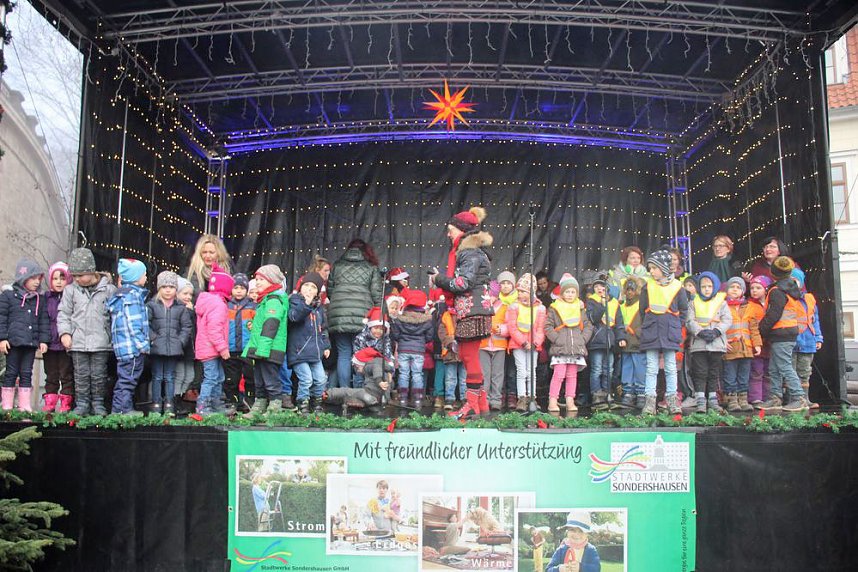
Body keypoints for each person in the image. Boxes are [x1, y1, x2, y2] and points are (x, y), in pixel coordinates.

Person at [430, 207, 494, 419]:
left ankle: (472, 406)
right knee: (469, 356)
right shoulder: (473, 252)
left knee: (468, 356)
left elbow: (463, 282)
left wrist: (439, 279)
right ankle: (481, 405)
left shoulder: (469, 253)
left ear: (461, 230)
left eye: (450, 230)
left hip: (472, 310)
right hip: (474, 309)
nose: (448, 234)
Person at [57, 248, 117, 416]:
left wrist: (113, 337)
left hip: (101, 342)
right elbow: (64, 313)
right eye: (74, 276)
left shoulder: (108, 290)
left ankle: (98, 403)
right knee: (81, 375)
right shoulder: (70, 290)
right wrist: (65, 334)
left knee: (98, 375)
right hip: (78, 342)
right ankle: (82, 403)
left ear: (91, 271)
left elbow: (115, 316)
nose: (77, 279)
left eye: (81, 275)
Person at [756, 256, 809, 412]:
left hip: (781, 333)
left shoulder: (777, 291)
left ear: (773, 272)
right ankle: (775, 397)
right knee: (774, 367)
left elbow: (774, 314)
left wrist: (761, 330)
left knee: (785, 366)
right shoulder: (791, 289)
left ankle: (799, 398)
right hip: (787, 332)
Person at [327, 239, 383, 388]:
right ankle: (358, 391)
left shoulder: (337, 265)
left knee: (344, 354)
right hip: (362, 317)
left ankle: (344, 390)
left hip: (339, 316)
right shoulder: (371, 267)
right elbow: (377, 295)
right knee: (360, 353)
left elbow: (330, 291)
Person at [638, 249, 687, 415]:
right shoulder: (647, 287)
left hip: (670, 331)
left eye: (654, 268)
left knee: (671, 367)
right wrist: (648, 324)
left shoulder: (678, 287)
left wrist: (675, 325)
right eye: (650, 268)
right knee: (651, 367)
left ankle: (672, 401)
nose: (651, 271)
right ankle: (650, 402)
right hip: (651, 330)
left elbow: (683, 310)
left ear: (664, 268)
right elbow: (642, 309)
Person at [0, 259, 49, 412]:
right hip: (13, 343)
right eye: (33, 278)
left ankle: (24, 405)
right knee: (11, 372)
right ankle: (6, 404)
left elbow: (43, 320)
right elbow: (2, 318)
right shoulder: (8, 296)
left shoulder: (39, 299)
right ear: (23, 278)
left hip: (30, 343)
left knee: (26, 373)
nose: (36, 282)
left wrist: (43, 340)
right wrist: (2, 338)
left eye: (38, 279)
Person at [244, 265, 290, 415]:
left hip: (269, 349)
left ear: (271, 280)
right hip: (261, 348)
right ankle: (259, 405)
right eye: (256, 279)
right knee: (259, 380)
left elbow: (271, 325)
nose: (257, 282)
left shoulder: (274, 300)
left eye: (261, 279)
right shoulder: (264, 300)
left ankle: (275, 406)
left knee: (270, 379)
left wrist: (263, 348)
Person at [544, 273, 593, 413]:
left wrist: (582, 339)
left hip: (575, 348)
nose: (570, 294)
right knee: (558, 375)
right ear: (562, 292)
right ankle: (552, 400)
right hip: (560, 347)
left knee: (572, 375)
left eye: (573, 292)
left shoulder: (580, 308)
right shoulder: (555, 308)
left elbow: (588, 326)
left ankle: (570, 400)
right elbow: (547, 326)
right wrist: (557, 339)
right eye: (567, 291)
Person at [107, 259, 150, 416]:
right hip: (132, 348)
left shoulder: (121, 295)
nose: (146, 277)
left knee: (124, 379)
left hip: (122, 347)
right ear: (136, 277)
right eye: (144, 274)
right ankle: (123, 409)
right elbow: (134, 323)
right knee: (128, 379)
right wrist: (143, 345)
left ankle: (118, 408)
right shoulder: (133, 296)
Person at [147, 271, 192, 414]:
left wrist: (180, 341)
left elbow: (186, 327)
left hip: (173, 348)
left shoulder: (180, 307)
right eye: (164, 286)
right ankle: (156, 403)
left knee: (170, 376)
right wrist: (153, 338)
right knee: (157, 376)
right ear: (159, 288)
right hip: (157, 347)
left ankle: (169, 403)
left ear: (175, 289)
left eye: (171, 287)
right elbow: (145, 324)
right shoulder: (152, 305)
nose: (168, 290)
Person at [687, 272, 731, 414]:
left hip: (716, 343)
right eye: (703, 286)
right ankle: (700, 399)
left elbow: (727, 320)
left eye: (710, 286)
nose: (706, 289)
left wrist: (717, 331)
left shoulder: (722, 303)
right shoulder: (693, 303)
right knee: (700, 372)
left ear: (715, 286)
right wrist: (700, 332)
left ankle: (712, 399)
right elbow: (689, 320)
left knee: (713, 372)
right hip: (699, 344)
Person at [193, 263, 234, 415]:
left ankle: (216, 404)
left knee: (219, 376)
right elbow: (214, 330)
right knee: (211, 378)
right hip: (211, 349)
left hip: (209, 349)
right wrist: (223, 349)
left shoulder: (211, 302)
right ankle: (203, 406)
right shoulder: (218, 304)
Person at [287, 272, 331, 414]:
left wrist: (326, 345)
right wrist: (306, 304)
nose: (309, 289)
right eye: (306, 285)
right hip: (299, 351)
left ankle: (316, 402)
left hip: (315, 351)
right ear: (300, 287)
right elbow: (294, 317)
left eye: (313, 287)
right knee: (306, 379)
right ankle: (302, 404)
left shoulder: (319, 308)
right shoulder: (294, 301)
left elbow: (323, 328)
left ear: (318, 291)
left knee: (321, 379)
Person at [506, 273, 547, 413]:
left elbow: (541, 329)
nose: (520, 294)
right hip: (519, 344)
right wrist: (524, 342)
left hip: (534, 345)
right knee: (521, 371)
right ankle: (522, 398)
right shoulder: (514, 307)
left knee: (531, 371)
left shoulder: (540, 308)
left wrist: (535, 343)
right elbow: (512, 327)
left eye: (523, 291)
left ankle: (532, 398)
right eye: (519, 291)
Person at [585, 274, 626, 410]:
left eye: (601, 286)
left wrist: (621, 338)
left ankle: (607, 393)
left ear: (606, 288)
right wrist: (602, 306)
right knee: (596, 369)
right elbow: (592, 318)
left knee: (609, 369)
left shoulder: (614, 303)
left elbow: (619, 323)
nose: (599, 289)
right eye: (596, 286)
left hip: (610, 341)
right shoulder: (592, 301)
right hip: (597, 341)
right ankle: (597, 395)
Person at [391, 288, 434, 408]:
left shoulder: (400, 319)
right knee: (417, 374)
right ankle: (417, 399)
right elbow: (430, 337)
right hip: (419, 350)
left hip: (404, 349)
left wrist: (401, 340)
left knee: (404, 373)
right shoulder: (426, 320)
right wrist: (422, 341)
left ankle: (403, 398)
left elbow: (395, 335)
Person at [723, 277, 759, 412]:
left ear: (743, 291)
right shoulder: (723, 306)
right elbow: (718, 326)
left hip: (746, 348)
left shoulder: (749, 307)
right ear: (727, 290)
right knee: (730, 375)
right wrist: (723, 342)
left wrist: (757, 344)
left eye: (738, 287)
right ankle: (732, 400)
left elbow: (754, 327)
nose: (735, 289)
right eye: (732, 287)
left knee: (744, 375)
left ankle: (743, 399)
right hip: (731, 347)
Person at [790, 268, 823, 409]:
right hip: (791, 341)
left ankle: (805, 399)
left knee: (804, 372)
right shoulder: (784, 298)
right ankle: (792, 399)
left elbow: (815, 320)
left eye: (795, 281)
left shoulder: (809, 299)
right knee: (790, 371)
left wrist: (818, 338)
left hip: (808, 341)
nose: (792, 283)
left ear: (801, 282)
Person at [43, 261, 73, 412]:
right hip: (50, 343)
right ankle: (50, 400)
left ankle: (66, 401)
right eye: (55, 279)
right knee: (51, 374)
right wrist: (43, 339)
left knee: (66, 374)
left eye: (62, 278)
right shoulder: (46, 298)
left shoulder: (71, 296)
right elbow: (43, 319)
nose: (59, 282)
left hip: (66, 344)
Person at [225, 273, 256, 411]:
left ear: (247, 290)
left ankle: (250, 402)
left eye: (242, 288)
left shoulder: (253, 306)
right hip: (231, 348)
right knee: (232, 379)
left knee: (250, 377)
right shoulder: (226, 306)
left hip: (247, 349)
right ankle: (233, 402)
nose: (238, 290)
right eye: (235, 287)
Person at [480, 279, 511, 411]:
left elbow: (510, 325)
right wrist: (492, 327)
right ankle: (484, 399)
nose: (489, 297)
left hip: (499, 344)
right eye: (487, 295)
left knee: (498, 374)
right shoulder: (480, 307)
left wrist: (503, 330)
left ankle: (496, 399)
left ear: (497, 294)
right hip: (483, 345)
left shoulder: (505, 307)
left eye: (491, 294)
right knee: (484, 374)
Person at [324, 348, 392, 409]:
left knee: (347, 391)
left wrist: (379, 381)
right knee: (353, 394)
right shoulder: (384, 367)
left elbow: (377, 368)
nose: (357, 370)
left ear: (363, 363)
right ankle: (359, 402)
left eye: (357, 367)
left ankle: (327, 394)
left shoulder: (370, 365)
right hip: (380, 398)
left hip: (369, 394)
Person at [617, 278, 646, 409]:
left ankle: (641, 393)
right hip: (626, 343)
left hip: (638, 342)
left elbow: (646, 322)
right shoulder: (621, 306)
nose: (629, 292)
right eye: (627, 289)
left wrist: (636, 332)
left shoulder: (642, 305)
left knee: (640, 369)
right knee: (627, 369)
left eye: (632, 290)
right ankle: (628, 392)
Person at [746, 275, 772, 405]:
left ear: (766, 289)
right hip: (756, 344)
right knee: (756, 371)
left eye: (758, 287)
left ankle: (768, 397)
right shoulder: (749, 305)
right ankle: (755, 397)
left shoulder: (771, 303)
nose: (754, 290)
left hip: (769, 344)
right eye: (752, 288)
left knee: (769, 372)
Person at [174, 277, 198, 409]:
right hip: (180, 348)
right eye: (185, 293)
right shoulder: (177, 308)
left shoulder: (190, 309)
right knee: (180, 375)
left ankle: (180, 397)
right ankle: (174, 400)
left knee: (190, 376)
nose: (188, 297)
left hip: (190, 349)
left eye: (190, 294)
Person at [438, 305, 466, 410]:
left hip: (463, 350)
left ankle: (465, 399)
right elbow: (441, 332)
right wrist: (450, 343)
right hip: (450, 352)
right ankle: (449, 399)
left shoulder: (465, 314)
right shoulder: (445, 316)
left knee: (464, 378)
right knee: (450, 378)